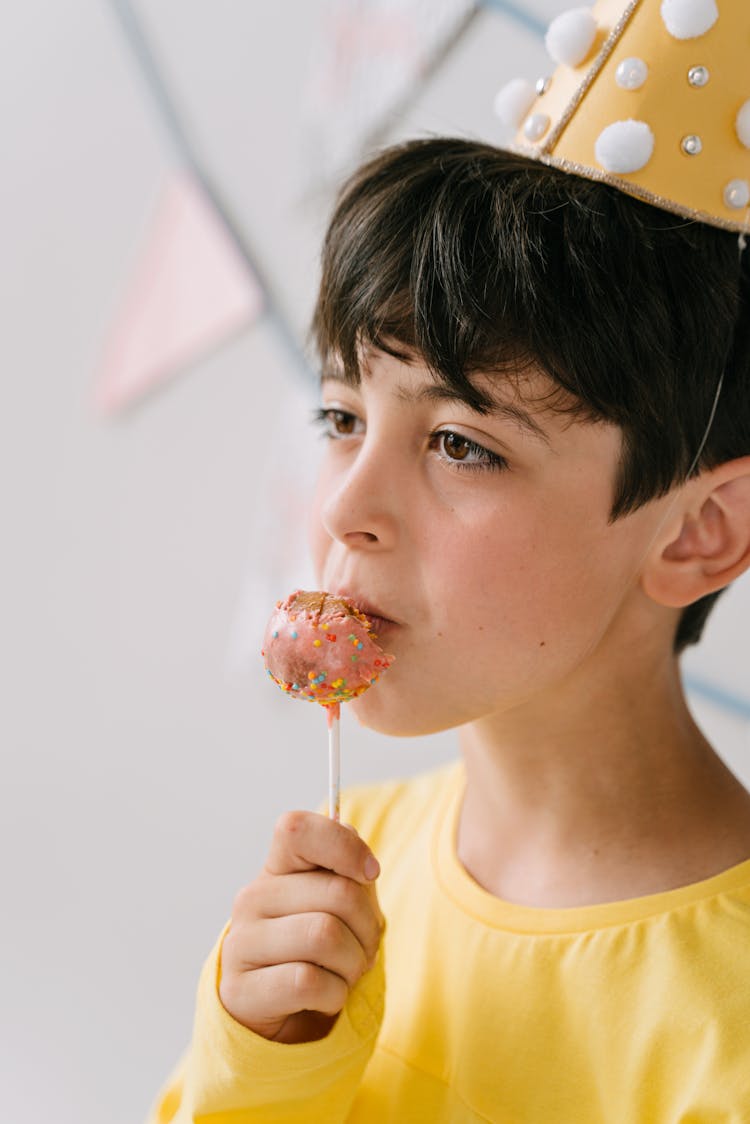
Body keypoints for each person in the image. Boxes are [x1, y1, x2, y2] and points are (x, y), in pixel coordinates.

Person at [149, 6, 750, 1119]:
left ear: (696, 530)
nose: (344, 504)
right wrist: (264, 1063)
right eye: (340, 416)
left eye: (461, 444)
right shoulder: (349, 868)